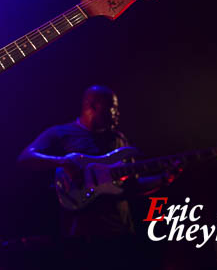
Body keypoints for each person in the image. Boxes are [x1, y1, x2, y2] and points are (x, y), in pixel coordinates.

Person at [17, 85, 169, 269]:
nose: (117, 113)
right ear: (93, 106)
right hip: (81, 236)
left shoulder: (119, 140)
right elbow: (26, 157)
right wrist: (62, 162)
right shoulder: (61, 133)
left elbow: (133, 186)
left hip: (120, 233)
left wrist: (164, 179)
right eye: (112, 107)